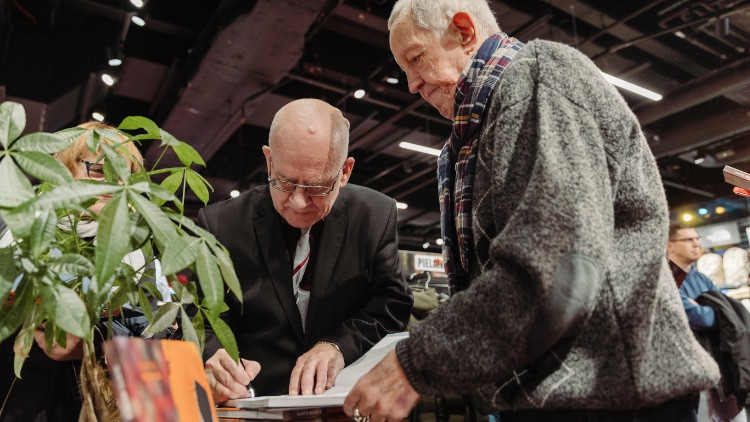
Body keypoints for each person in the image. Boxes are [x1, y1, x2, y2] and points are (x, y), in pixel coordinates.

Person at [343, 1, 721, 421]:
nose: (411, 84)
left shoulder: (539, 75)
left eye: (415, 58)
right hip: (555, 393)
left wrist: (417, 363)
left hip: (611, 395)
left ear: (464, 32)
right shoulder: (469, 136)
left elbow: (556, 267)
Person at [198, 98, 412, 402]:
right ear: (269, 161)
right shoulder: (221, 224)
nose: (298, 202)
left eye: (317, 187)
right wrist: (213, 357)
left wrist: (339, 346)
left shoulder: (374, 216)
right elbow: (204, 316)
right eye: (284, 182)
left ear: (346, 171)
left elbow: (391, 305)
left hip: (346, 403)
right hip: (254, 404)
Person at [0, 122, 173, 422]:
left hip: (100, 407)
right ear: (64, 169)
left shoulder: (140, 250)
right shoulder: (14, 228)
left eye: (124, 174)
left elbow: (157, 336)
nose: (113, 183)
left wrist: (92, 344)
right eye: (97, 169)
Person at [667, 222, 748, 422]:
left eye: (697, 239)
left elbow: (724, 315)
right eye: (688, 239)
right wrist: (711, 311)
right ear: (670, 245)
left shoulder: (702, 278)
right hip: (690, 373)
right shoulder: (667, 279)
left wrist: (705, 309)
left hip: (722, 368)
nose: (696, 244)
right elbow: (699, 317)